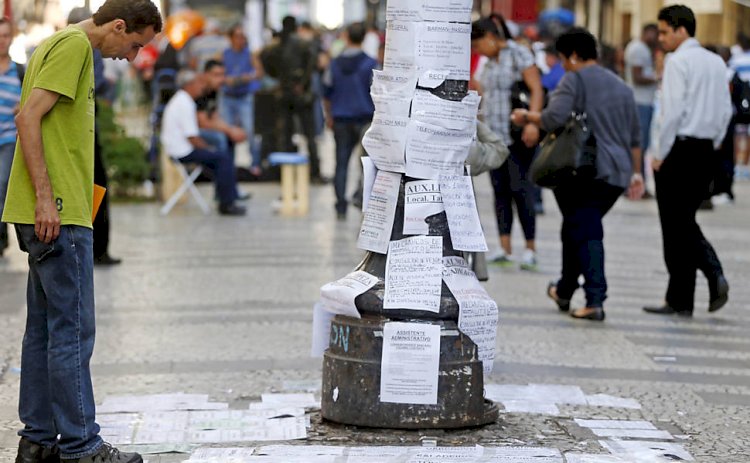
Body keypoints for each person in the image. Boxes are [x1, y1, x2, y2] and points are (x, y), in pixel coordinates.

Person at [2, 1, 161, 461]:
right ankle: (80, 446)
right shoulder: (74, 47)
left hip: (49, 208)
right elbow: (27, 117)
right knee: (72, 331)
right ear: (116, 25)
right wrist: (46, 197)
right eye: (133, 45)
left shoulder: (55, 43)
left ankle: (37, 441)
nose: (131, 57)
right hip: (59, 211)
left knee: (44, 331)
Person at [511, 27, 644, 321]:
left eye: (562, 59)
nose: (562, 65)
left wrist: (527, 116)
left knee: (586, 230)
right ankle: (564, 289)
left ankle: (595, 298)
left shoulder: (574, 80)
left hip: (584, 170)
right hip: (616, 173)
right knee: (576, 226)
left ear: (572, 55)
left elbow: (553, 117)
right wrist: (637, 174)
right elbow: (635, 136)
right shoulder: (622, 86)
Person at [643, 5, 732, 317]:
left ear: (682, 30)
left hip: (678, 149)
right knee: (683, 221)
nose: (661, 38)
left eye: (665, 32)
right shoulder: (715, 61)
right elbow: (726, 110)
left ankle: (712, 271)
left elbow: (672, 112)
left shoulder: (677, 61)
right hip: (706, 149)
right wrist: (715, 141)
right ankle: (681, 299)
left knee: (676, 224)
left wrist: (658, 153)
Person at [471, 14, 544, 271]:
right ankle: (504, 247)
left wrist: (534, 122)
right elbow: (480, 90)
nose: (478, 50)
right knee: (500, 190)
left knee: (521, 189)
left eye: (479, 44)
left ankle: (530, 248)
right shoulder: (487, 62)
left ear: (491, 38)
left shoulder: (518, 54)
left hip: (518, 134)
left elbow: (536, 88)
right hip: (495, 137)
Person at [68, 6, 122, 266]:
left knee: (92, 185)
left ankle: (94, 248)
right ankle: (97, 248)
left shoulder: (72, 47)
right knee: (95, 184)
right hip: (82, 126)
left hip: (84, 125)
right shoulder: (85, 49)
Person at [161, 69, 246, 216]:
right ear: (189, 85)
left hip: (178, 149)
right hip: (182, 151)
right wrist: (208, 149)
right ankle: (227, 203)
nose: (201, 86)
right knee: (222, 158)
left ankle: (226, 198)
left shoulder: (181, 100)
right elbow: (192, 137)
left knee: (220, 156)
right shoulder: (185, 103)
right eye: (198, 83)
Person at [323, 22, 377, 220]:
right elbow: (378, 93)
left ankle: (340, 204)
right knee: (367, 163)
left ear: (346, 36)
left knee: (341, 163)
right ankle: (361, 196)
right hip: (366, 120)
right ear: (364, 38)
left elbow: (326, 92)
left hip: (341, 118)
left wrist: (328, 116)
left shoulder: (334, 64)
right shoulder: (371, 64)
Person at [261, 16, 324, 183]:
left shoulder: (276, 45)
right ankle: (314, 172)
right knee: (309, 135)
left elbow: (265, 59)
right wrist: (302, 84)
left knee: (285, 135)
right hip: (300, 94)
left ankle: (286, 173)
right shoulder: (303, 43)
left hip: (285, 92)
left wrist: (279, 78)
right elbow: (312, 65)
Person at [221, 24, 262, 176]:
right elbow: (216, 74)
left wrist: (248, 77)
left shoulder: (250, 54)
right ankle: (228, 165)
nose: (240, 40)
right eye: (237, 37)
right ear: (231, 38)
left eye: (242, 37)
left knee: (250, 131)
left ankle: (255, 164)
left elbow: (259, 72)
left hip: (244, 97)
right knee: (227, 132)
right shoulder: (224, 54)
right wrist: (227, 80)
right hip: (228, 97)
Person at [624, 23, 659, 195]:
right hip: (640, 102)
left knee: (641, 144)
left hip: (643, 101)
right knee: (638, 144)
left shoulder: (643, 49)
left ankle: (637, 183)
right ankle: (635, 184)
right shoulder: (638, 49)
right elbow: (637, 77)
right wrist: (658, 78)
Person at [0, 17, 22, 259]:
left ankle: (2, 239)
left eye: (6, 35)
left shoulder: (20, 70)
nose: (2, 41)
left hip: (8, 139)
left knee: (2, 184)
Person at [729, 32, 750, 181]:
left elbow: (731, 78)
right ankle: (746, 164)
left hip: (740, 102)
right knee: (748, 134)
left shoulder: (736, 59)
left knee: (737, 134)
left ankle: (738, 163)